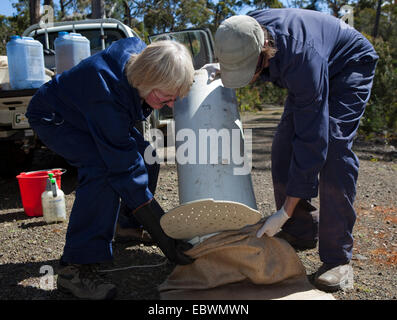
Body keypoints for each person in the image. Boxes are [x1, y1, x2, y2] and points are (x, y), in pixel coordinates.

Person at [213, 8, 378, 292]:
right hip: (308, 64)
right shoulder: (241, 29)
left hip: (348, 62)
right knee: (283, 148)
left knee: (334, 147)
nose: (249, 79)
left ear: (265, 50)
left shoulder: (302, 59)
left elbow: (313, 140)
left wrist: (283, 212)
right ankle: (301, 231)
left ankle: (338, 258)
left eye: (247, 70)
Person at [26, 38, 195, 300]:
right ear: (146, 82)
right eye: (168, 96)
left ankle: (126, 227)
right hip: (56, 118)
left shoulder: (141, 57)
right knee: (102, 170)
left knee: (147, 156)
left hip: (89, 111)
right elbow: (124, 169)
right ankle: (76, 267)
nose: (172, 104)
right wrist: (165, 236)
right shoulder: (104, 91)